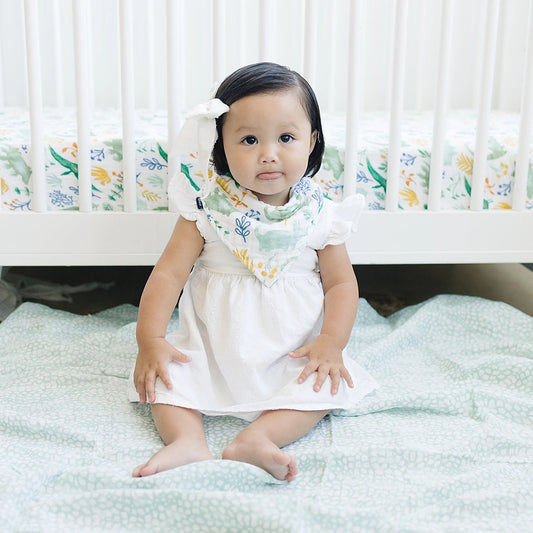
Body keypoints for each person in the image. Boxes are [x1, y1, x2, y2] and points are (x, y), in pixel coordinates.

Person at [128, 62, 378, 482]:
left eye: (286, 138)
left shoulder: (320, 215)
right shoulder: (206, 210)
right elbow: (168, 275)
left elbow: (341, 284)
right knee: (165, 379)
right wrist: (149, 339)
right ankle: (186, 441)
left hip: (291, 347)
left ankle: (258, 438)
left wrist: (331, 342)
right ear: (221, 147)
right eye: (248, 139)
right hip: (213, 346)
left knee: (321, 387)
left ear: (312, 140)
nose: (268, 154)